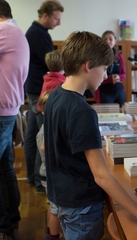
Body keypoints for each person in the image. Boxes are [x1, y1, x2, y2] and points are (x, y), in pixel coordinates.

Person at [43, 31, 137, 239]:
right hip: (82, 205)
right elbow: (101, 175)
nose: (106, 75)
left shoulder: (55, 96)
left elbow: (49, 146)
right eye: (105, 69)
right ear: (88, 66)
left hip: (61, 198)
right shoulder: (82, 110)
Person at [24, 0, 64, 194]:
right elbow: (51, 63)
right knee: (43, 136)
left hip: (36, 90)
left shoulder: (39, 33)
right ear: (45, 15)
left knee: (32, 136)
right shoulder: (37, 35)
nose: (58, 23)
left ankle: (33, 178)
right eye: (56, 18)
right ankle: (40, 182)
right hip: (41, 93)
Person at [0, 0, 30, 239]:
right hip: (8, 110)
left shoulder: (5, 30)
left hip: (1, 111)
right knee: (5, 167)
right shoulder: (16, 31)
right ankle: (12, 215)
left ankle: (3, 227)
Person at [36, 91, 62, 240]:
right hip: (50, 174)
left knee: (52, 205)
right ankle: (52, 236)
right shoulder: (47, 130)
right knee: (55, 209)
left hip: (47, 173)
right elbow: (45, 150)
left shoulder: (48, 125)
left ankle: (49, 230)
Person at [94, 30, 126, 107]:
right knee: (107, 115)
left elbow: (124, 74)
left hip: (119, 90)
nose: (108, 41)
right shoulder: (98, 57)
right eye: (105, 39)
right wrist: (110, 79)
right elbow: (96, 77)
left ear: (115, 41)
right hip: (105, 92)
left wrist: (119, 77)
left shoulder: (119, 56)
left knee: (121, 114)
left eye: (110, 39)